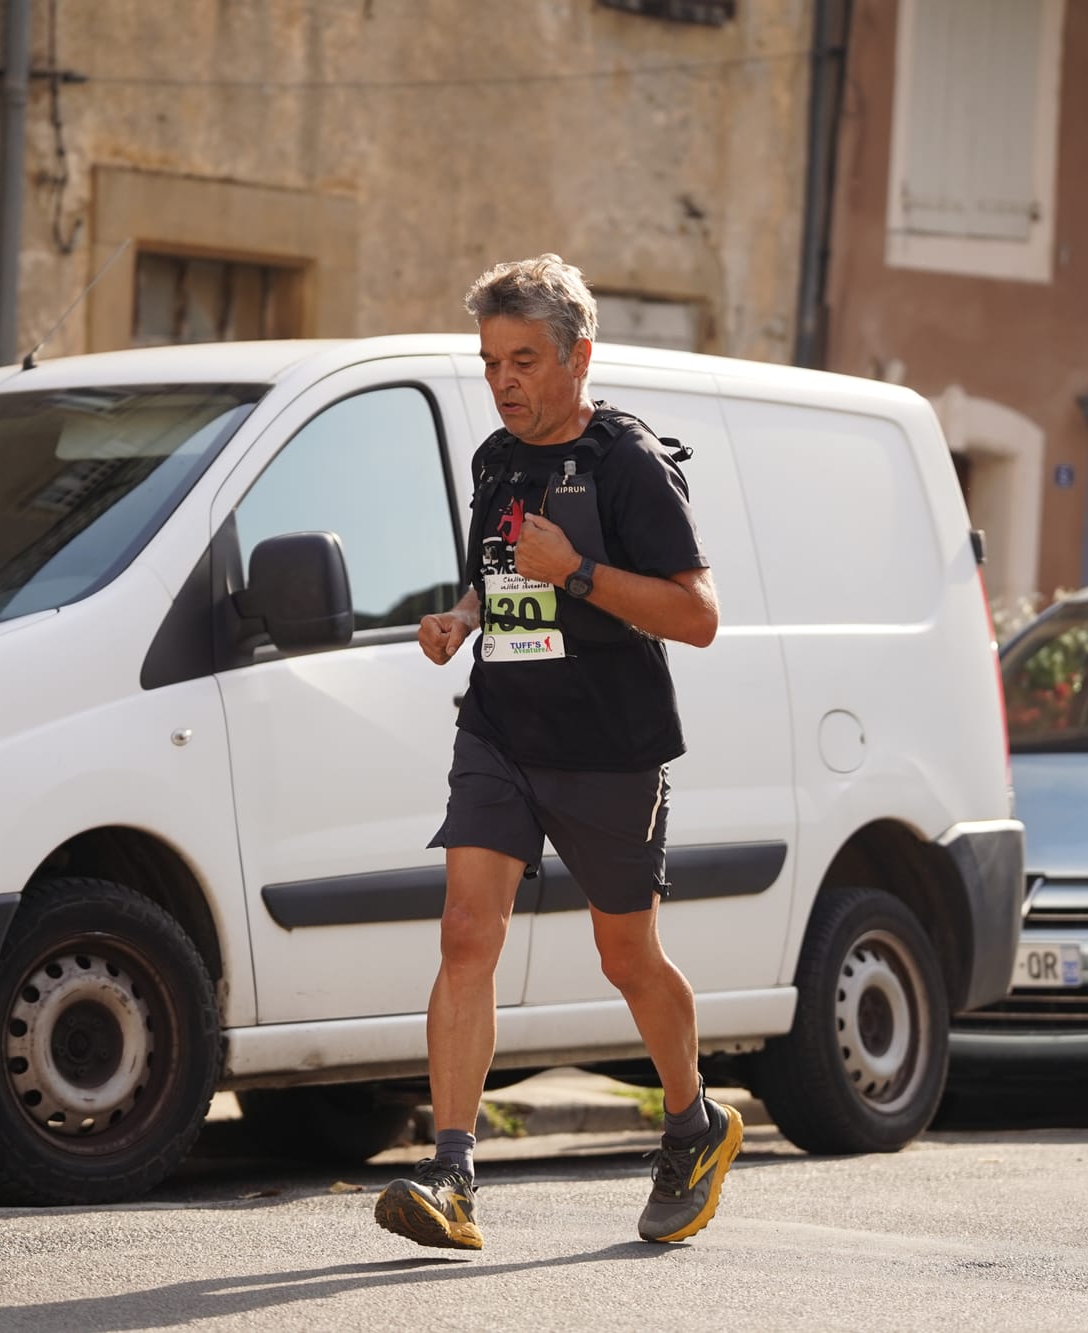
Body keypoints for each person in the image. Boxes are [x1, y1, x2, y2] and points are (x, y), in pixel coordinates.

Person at [373, 255, 738, 1251]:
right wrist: (454, 618)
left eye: (523, 360)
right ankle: (452, 1174)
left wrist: (575, 571)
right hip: (500, 728)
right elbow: (489, 583)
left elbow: (696, 615)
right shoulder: (496, 459)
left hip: (608, 746)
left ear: (579, 356)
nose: (503, 382)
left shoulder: (627, 463)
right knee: (463, 934)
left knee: (625, 955)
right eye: (491, 362)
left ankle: (692, 1119)